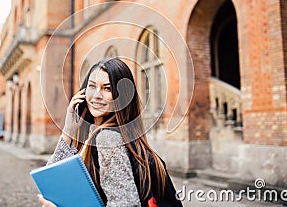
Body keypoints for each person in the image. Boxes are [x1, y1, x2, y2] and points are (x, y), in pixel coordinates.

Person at [38, 58, 182, 207]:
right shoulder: (101, 134)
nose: (96, 95)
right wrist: (68, 131)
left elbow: (125, 204)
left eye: (107, 88)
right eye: (92, 86)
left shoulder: (108, 139)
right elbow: (53, 180)